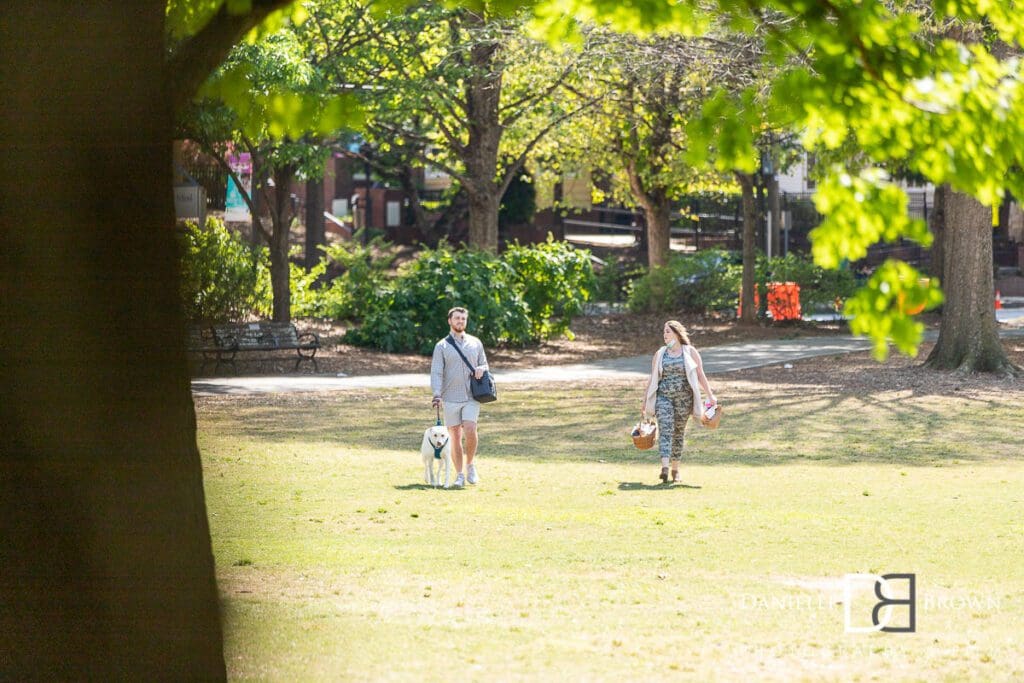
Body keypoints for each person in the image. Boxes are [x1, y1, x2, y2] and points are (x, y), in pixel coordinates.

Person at [641, 320, 717, 484]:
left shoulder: (690, 352)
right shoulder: (661, 353)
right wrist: (645, 400)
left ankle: (675, 470)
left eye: (667, 331)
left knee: (678, 433)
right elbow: (652, 378)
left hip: (684, 400)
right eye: (664, 332)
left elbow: (700, 375)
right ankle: (665, 468)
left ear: (676, 333)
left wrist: (710, 395)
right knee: (666, 428)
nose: (665, 335)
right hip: (664, 397)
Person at [431, 307, 489, 488]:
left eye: (463, 319)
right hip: (450, 398)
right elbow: (436, 372)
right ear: (449, 321)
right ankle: (459, 474)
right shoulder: (442, 346)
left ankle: (470, 465)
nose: (460, 321)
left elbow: (485, 364)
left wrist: (482, 369)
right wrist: (437, 395)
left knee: (470, 428)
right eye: (457, 318)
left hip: (472, 395)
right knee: (455, 436)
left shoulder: (475, 343)